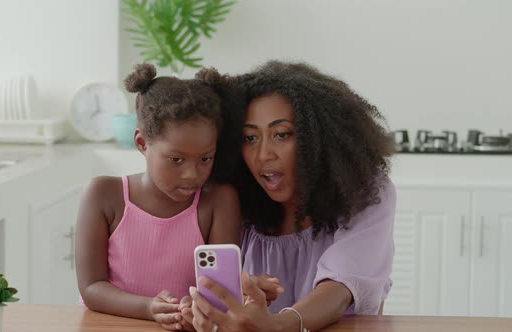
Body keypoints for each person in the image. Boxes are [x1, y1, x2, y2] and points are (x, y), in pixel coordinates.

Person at [187, 61, 396, 332]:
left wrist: (279, 325)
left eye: (282, 134)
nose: (263, 154)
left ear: (319, 138)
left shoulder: (365, 191)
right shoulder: (231, 198)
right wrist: (201, 308)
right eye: (250, 138)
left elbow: (341, 287)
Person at [75, 63, 242, 331]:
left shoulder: (219, 201)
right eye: (176, 159)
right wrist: (148, 308)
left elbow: (218, 291)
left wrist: (193, 310)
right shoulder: (103, 196)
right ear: (142, 143)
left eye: (205, 158)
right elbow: (91, 288)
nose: (192, 174)